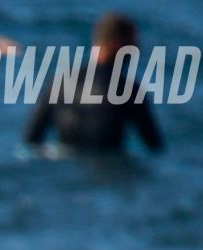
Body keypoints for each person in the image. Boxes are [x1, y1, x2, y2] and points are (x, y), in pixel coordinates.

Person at [23, 12, 163, 156]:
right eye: (133, 44)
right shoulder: (129, 90)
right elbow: (154, 147)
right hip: (108, 167)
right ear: (118, 44)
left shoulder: (59, 83)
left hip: (63, 164)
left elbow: (31, 141)